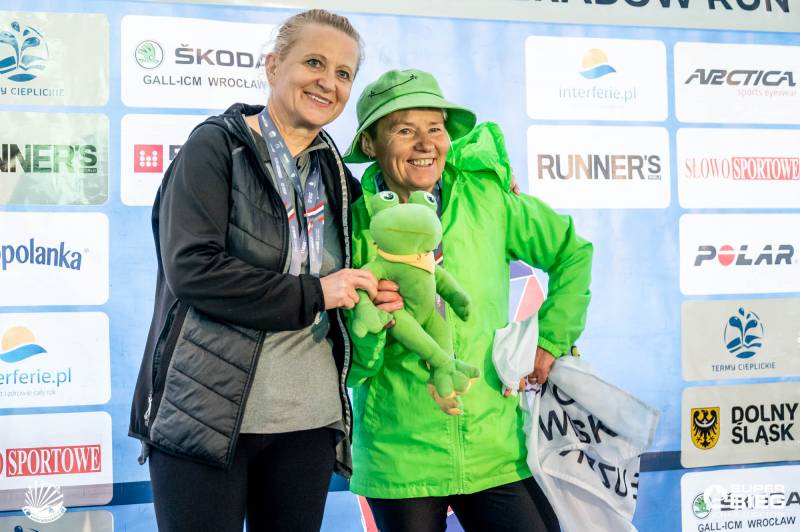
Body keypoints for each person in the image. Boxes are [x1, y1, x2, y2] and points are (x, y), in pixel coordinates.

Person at [128, 10, 374, 532]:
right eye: (314, 63)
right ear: (273, 65)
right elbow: (192, 270)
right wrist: (316, 292)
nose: (328, 82)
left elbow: (399, 203)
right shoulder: (217, 146)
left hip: (308, 421)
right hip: (205, 414)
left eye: (344, 73)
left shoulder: (333, 170)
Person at [342, 69, 594, 532]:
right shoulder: (352, 226)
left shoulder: (487, 198)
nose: (425, 144)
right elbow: (355, 369)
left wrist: (551, 340)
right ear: (371, 144)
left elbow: (571, 252)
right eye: (404, 130)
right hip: (400, 457)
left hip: (494, 447)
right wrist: (373, 322)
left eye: (435, 129)